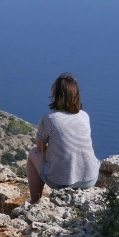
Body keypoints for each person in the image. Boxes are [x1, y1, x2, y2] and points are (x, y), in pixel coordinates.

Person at [27, 73, 100, 203]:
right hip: (90, 178)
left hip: (60, 182)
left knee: (33, 153)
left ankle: (34, 201)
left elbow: (40, 147)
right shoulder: (84, 116)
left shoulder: (50, 118)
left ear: (56, 95)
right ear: (76, 96)